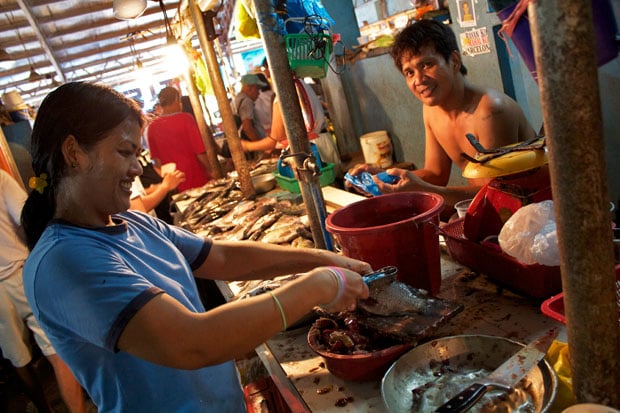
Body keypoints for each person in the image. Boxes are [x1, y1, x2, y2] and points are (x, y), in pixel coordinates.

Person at [20, 82, 371, 413]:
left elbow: (221, 256)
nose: (137, 168)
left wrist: (318, 259)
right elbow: (191, 342)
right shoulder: (62, 261)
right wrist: (320, 284)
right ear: (73, 154)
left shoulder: (135, 223)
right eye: (125, 152)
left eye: (138, 153)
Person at [349, 19, 536, 208]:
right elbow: (436, 174)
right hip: (494, 210)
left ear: (454, 61)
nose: (419, 80)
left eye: (427, 65)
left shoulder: (490, 111)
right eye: (409, 72)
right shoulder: (431, 109)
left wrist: (423, 191)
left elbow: (500, 196)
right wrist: (384, 177)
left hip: (534, 213)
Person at [0, 169, 86, 413]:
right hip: (20, 275)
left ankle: (43, 408)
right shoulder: (1, 179)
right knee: (55, 350)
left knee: (18, 359)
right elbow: (25, 218)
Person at [146, 86, 211, 192]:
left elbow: (157, 162)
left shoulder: (152, 127)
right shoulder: (186, 119)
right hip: (197, 179)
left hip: (174, 185)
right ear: (177, 100)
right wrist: (211, 170)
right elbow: (200, 152)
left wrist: (166, 183)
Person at [129, 149, 185, 224]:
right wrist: (165, 186)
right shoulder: (121, 172)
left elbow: (138, 195)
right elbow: (138, 209)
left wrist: (159, 185)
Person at [234, 74, 268, 142]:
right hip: (251, 146)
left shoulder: (238, 98)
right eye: (257, 89)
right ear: (249, 88)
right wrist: (260, 146)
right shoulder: (247, 101)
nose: (258, 93)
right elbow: (248, 128)